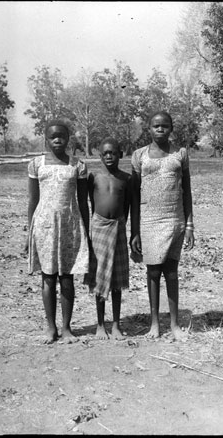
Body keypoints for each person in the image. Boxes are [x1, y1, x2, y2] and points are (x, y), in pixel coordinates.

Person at [130, 111, 195, 341]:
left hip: (173, 219)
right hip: (149, 220)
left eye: (165, 126)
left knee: (171, 272)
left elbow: (186, 190)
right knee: (153, 272)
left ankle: (175, 324)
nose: (160, 129)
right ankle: (155, 323)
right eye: (156, 126)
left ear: (171, 129)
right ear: (148, 129)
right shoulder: (139, 156)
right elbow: (134, 196)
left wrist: (189, 225)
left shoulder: (180, 154)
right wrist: (134, 231)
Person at [26, 119, 90, 344]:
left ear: (68, 139)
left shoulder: (77, 165)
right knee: (48, 277)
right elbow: (33, 201)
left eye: (61, 136)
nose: (57, 139)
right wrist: (29, 232)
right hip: (44, 226)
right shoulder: (36, 164)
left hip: (70, 226)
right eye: (53, 136)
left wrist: (87, 233)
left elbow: (83, 203)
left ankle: (66, 327)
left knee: (67, 277)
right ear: (46, 138)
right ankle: (50, 327)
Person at [84, 138, 131, 340]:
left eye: (113, 152)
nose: (109, 156)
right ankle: (100, 325)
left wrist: (122, 225)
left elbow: (127, 205)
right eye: (105, 153)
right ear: (100, 156)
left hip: (118, 228)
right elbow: (87, 205)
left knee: (117, 280)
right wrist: (90, 230)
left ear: (120, 154)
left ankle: (116, 325)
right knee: (100, 278)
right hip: (99, 229)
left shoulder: (126, 179)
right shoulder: (94, 177)